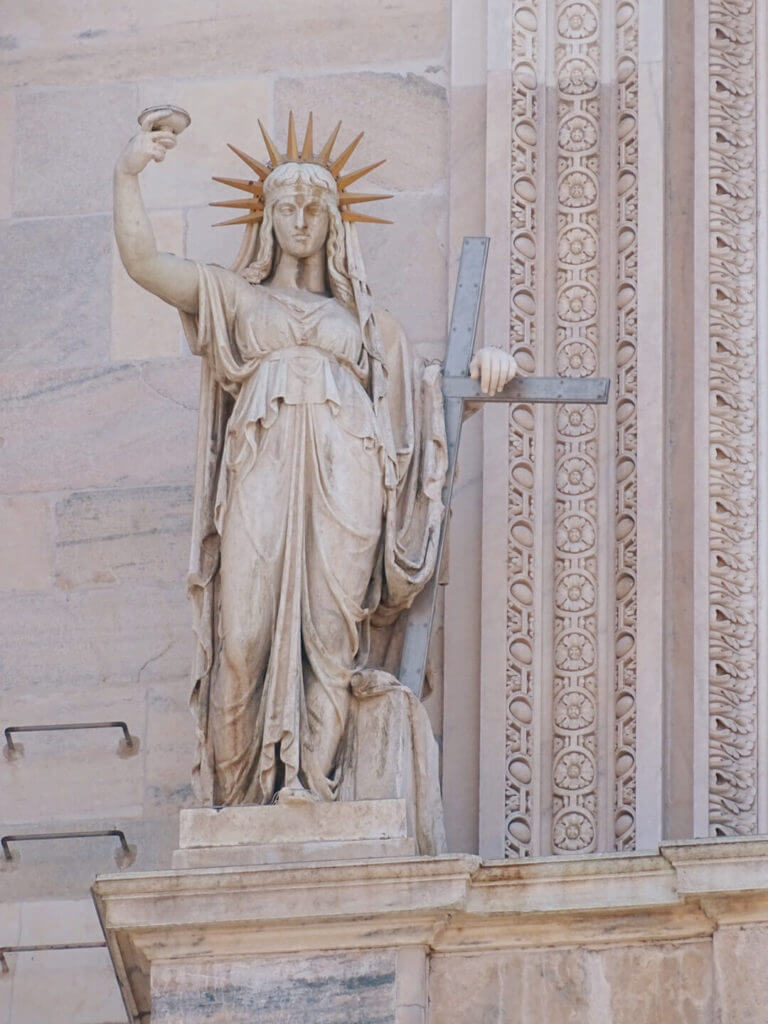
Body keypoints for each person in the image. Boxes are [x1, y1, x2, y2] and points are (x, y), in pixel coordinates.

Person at [113, 114, 518, 808]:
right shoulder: (235, 297)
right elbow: (145, 264)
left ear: (335, 222)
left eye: (315, 206)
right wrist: (128, 174)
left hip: (347, 468)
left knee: (332, 635)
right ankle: (241, 796)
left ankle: (311, 783)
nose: (300, 217)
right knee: (242, 636)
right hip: (262, 468)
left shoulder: (368, 325)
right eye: (286, 205)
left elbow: (422, 410)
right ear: (266, 219)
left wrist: (483, 371)